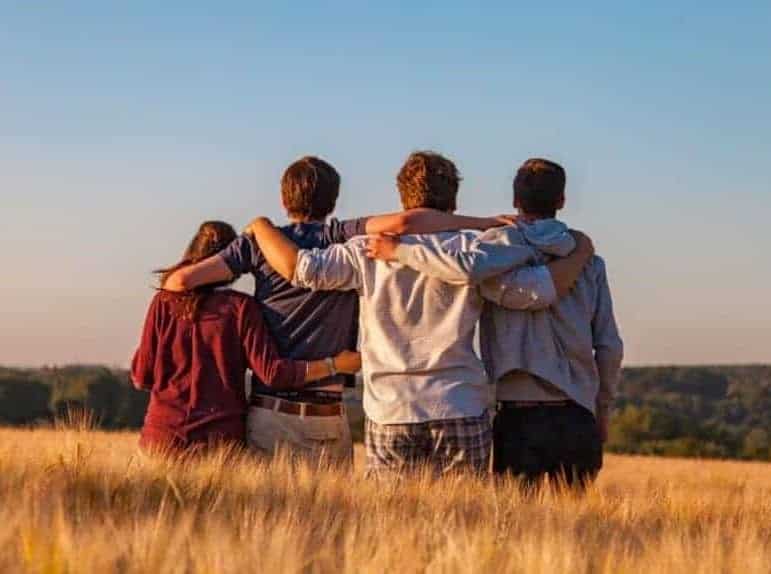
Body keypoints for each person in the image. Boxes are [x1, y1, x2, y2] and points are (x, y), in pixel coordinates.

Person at [244, 152, 594, 476]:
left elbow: (302, 269)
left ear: (402, 197)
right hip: (459, 403)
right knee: (465, 526)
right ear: (453, 200)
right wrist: (579, 253)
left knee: (390, 525)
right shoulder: (476, 248)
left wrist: (260, 226)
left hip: (391, 407)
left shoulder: (365, 250)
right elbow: (534, 291)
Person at [161, 156, 510, 464]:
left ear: (284, 200)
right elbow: (405, 224)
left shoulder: (257, 244)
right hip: (331, 412)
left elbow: (179, 283)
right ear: (334, 200)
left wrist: (255, 240)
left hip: (272, 411)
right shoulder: (342, 236)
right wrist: (483, 223)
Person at [367, 158, 623, 489]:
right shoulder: (589, 262)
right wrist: (601, 412)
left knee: (514, 529)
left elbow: (463, 269)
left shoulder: (493, 254)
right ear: (561, 201)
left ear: (515, 201)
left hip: (517, 417)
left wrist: (400, 251)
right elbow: (609, 346)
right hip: (577, 413)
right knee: (574, 530)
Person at [130, 220, 361, 456]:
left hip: (161, 437)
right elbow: (273, 373)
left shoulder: (163, 302)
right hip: (219, 443)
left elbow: (141, 376)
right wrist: (335, 365)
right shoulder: (241, 308)